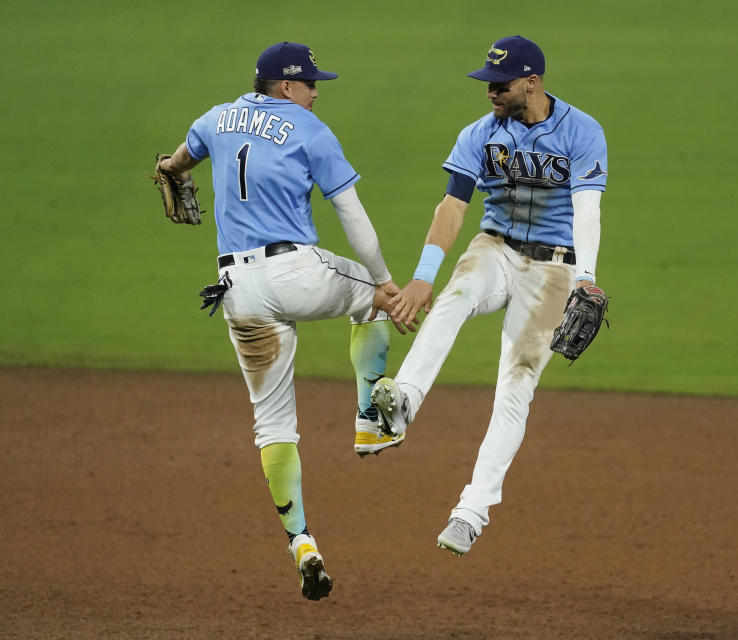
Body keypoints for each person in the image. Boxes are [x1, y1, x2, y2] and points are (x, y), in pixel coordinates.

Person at [156, 41, 413, 599]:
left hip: (236, 290)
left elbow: (181, 157)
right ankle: (370, 418)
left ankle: (301, 541)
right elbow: (351, 211)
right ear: (287, 87)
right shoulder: (308, 129)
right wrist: (386, 281)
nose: (317, 92)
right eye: (311, 83)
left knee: (272, 423)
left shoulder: (218, 116)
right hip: (293, 270)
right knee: (371, 298)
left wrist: (169, 168)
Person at [371, 35, 607, 556]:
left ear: (532, 82)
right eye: (487, 83)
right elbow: (452, 207)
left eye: (499, 84)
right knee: (453, 299)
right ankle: (403, 401)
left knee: (517, 382)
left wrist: (586, 278)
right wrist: (423, 275)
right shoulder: (480, 134)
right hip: (495, 248)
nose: (490, 92)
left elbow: (587, 209)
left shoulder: (582, 132)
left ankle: (471, 513)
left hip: (553, 268)